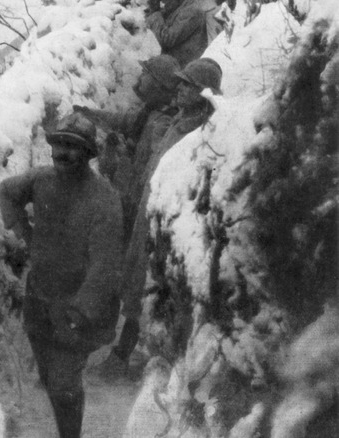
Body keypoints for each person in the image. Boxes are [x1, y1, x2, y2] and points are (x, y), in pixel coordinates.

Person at [0, 112, 123, 437]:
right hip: (39, 298)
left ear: (88, 153)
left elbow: (105, 267)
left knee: (64, 383)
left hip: (77, 305)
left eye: (73, 147)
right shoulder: (41, 180)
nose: (63, 153)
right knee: (50, 374)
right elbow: (7, 192)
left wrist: (80, 311)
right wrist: (25, 231)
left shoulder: (103, 199)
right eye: (58, 145)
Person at [74, 54, 182, 378]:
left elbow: (155, 167)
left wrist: (122, 157)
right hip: (132, 204)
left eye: (147, 75)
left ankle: (123, 355)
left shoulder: (163, 123)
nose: (140, 78)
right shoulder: (151, 113)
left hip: (143, 210)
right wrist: (91, 114)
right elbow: (123, 120)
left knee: (136, 281)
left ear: (161, 86)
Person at [118, 57, 222, 366]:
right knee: (138, 277)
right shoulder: (178, 119)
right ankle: (129, 350)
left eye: (186, 85)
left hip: (170, 219)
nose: (178, 88)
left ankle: (135, 354)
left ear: (203, 93)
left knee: (155, 284)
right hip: (149, 210)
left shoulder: (205, 131)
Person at [145, 0, 223, 67]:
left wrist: (155, 11)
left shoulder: (193, 10)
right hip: (169, 64)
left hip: (179, 69)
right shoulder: (180, 6)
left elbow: (167, 39)